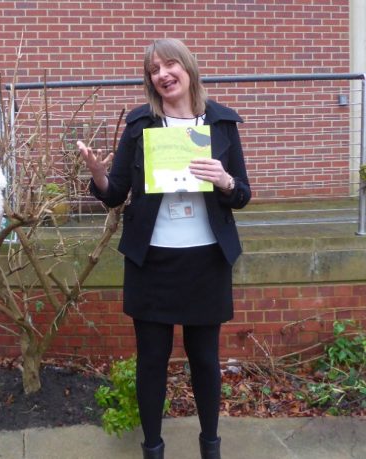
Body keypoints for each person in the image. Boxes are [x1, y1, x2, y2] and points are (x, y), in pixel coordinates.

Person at [77, 38, 251, 459]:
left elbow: (241, 194)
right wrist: (99, 177)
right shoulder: (140, 125)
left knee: (205, 360)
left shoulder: (222, 124)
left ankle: (210, 446)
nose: (162, 74)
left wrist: (225, 180)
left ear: (189, 70)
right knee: (151, 361)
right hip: (151, 260)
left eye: (170, 64)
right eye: (154, 69)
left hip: (206, 259)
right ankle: (152, 448)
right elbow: (116, 192)